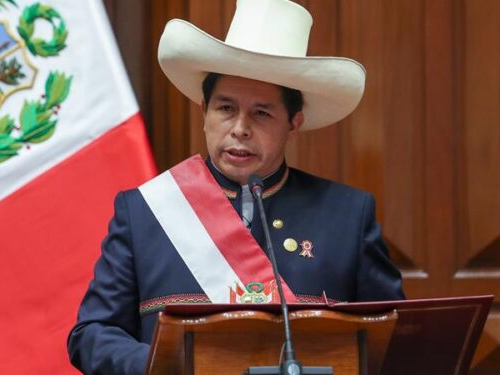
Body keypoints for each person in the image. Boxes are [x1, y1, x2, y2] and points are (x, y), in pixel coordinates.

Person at [68, 0, 405, 374]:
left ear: (294, 123)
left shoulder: (347, 216)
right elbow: (92, 334)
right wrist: (169, 365)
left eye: (261, 113)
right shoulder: (144, 212)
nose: (240, 128)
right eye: (225, 108)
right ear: (203, 111)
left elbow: (394, 339)